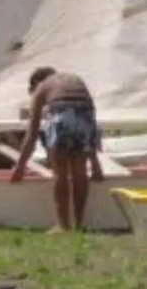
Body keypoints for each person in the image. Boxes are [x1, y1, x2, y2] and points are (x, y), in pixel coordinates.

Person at [10, 67, 105, 233]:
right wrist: (96, 166)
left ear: (35, 83)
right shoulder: (74, 79)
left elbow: (32, 135)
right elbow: (90, 124)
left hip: (62, 116)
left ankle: (63, 225)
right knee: (79, 171)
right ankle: (79, 223)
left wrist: (19, 167)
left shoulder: (42, 87)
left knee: (60, 173)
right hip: (85, 114)